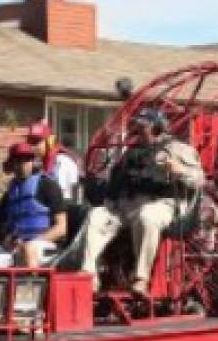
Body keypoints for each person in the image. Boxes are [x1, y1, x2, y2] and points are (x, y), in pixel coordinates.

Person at [72, 108, 204, 295]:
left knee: (147, 216)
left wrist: (180, 171)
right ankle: (89, 274)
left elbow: (199, 180)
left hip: (162, 204)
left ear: (157, 127)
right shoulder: (131, 153)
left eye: (143, 126)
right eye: (137, 126)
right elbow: (115, 184)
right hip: (126, 206)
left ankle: (141, 278)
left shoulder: (179, 149)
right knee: (96, 215)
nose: (138, 130)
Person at [0, 142, 67, 269]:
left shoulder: (48, 186)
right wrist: (8, 238)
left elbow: (61, 228)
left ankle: (32, 288)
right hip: (16, 247)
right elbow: (2, 227)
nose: (22, 164)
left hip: (45, 247)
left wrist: (33, 241)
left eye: (27, 159)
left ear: (33, 161)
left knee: (28, 249)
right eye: (18, 160)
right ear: (11, 164)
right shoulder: (10, 194)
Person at [26, 120, 82, 202]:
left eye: (36, 142)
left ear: (49, 142)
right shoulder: (39, 164)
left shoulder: (62, 162)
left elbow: (62, 197)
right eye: (31, 142)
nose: (33, 147)